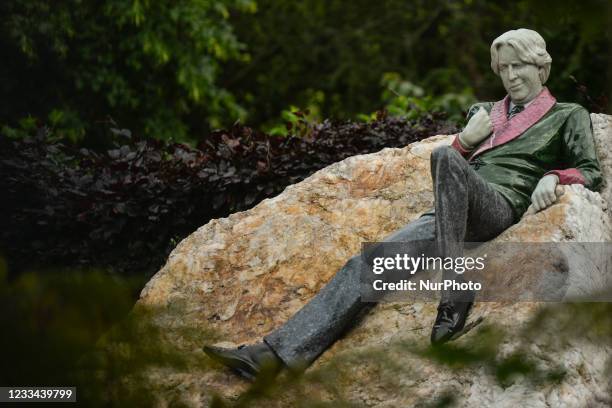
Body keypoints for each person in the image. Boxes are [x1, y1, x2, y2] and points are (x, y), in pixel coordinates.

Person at [203, 28, 602, 381]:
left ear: (541, 68)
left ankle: (455, 289)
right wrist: (466, 139)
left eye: (520, 67)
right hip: (447, 215)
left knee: (443, 157)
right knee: (368, 263)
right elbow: (453, 166)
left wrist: (553, 176)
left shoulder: (567, 115)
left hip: (497, 208)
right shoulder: (483, 114)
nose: (511, 76)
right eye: (503, 68)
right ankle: (273, 357)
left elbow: (590, 170)